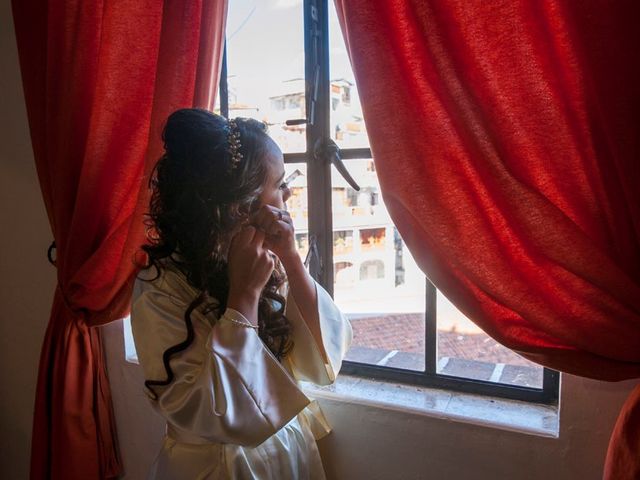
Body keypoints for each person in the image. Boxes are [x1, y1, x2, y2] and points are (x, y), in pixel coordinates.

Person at [131, 108, 352, 480]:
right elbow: (213, 411)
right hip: (217, 467)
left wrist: (292, 259)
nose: (288, 194)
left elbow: (322, 359)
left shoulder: (264, 261)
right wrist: (244, 294)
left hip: (286, 447)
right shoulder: (159, 287)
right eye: (280, 185)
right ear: (242, 206)